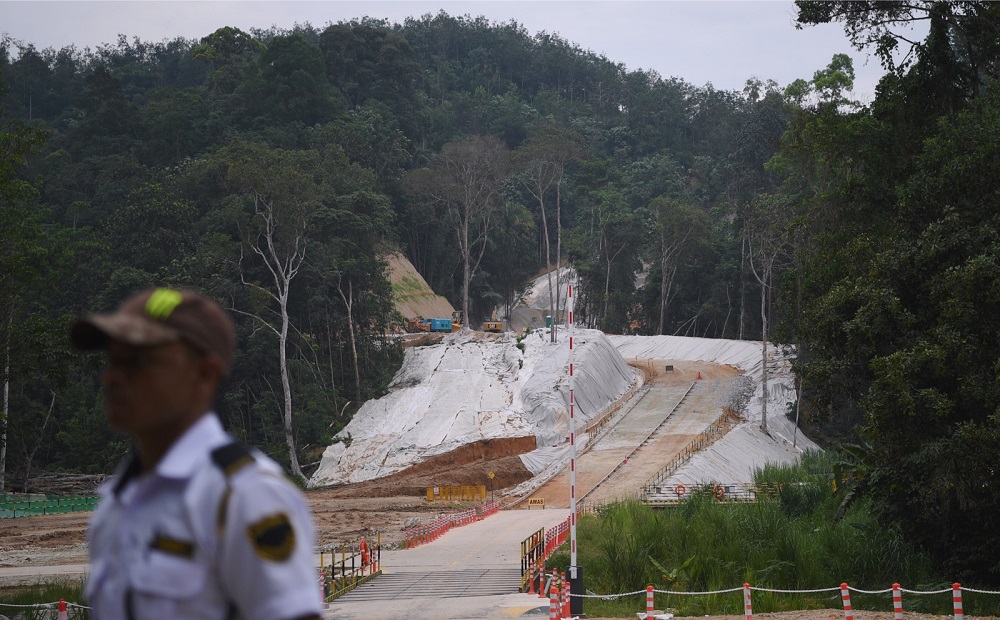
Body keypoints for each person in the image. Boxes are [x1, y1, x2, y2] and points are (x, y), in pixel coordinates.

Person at [71, 287, 323, 620]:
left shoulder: (243, 496)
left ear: (204, 374)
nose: (114, 377)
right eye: (113, 359)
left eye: (137, 361)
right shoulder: (116, 503)